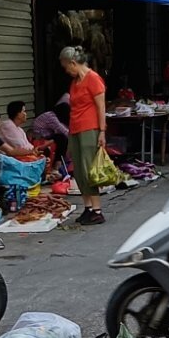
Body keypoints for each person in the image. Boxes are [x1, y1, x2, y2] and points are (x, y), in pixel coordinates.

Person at [60, 45, 108, 226]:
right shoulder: (75, 83)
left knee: (89, 170)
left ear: (73, 63)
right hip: (76, 129)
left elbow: (101, 107)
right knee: (79, 170)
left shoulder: (93, 79)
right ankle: (87, 208)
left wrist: (102, 131)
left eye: (66, 67)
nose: (66, 71)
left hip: (90, 129)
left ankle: (97, 210)